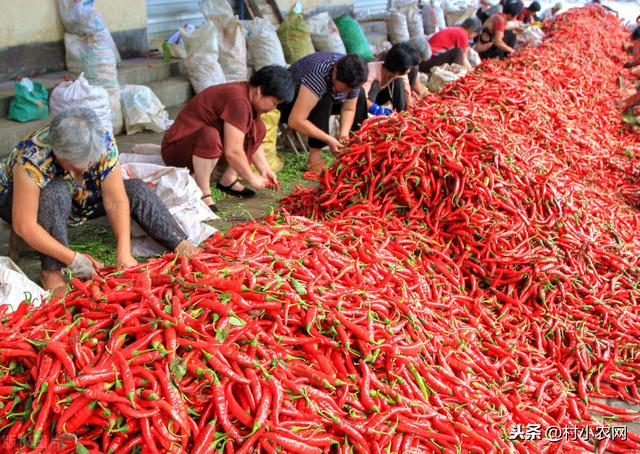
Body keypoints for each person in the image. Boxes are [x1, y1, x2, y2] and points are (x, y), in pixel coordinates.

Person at [0, 108, 199, 291]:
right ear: (59, 154)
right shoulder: (33, 157)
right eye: (78, 165)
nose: (86, 169)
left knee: (137, 189)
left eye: (90, 164)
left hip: (78, 198)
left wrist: (124, 251)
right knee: (56, 191)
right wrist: (73, 259)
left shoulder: (101, 140)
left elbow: (116, 200)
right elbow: (24, 225)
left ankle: (177, 241)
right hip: (22, 201)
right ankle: (51, 271)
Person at [162, 66, 294, 212]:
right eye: (274, 103)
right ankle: (203, 192)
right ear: (259, 91)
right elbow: (233, 151)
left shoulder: (248, 97)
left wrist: (264, 170)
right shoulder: (238, 100)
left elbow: (252, 140)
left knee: (259, 127)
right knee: (209, 135)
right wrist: (252, 177)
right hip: (176, 149)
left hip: (200, 148)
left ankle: (228, 179)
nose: (273, 108)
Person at [278, 53, 368, 172]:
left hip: (317, 100)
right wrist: (328, 139)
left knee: (360, 94)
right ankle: (314, 156)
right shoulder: (317, 75)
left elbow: (349, 109)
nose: (348, 92)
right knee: (325, 98)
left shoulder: (353, 76)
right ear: (335, 72)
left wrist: (343, 135)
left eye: (350, 90)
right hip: (287, 105)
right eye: (345, 89)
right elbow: (295, 120)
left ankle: (353, 149)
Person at [354, 42, 420, 124]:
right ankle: (366, 119)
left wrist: (410, 107)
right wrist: (378, 110)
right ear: (399, 68)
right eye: (409, 67)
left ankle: (401, 118)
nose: (410, 70)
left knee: (398, 82)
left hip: (378, 98)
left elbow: (406, 91)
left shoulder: (397, 74)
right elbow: (360, 97)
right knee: (375, 84)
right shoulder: (371, 70)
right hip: (363, 102)